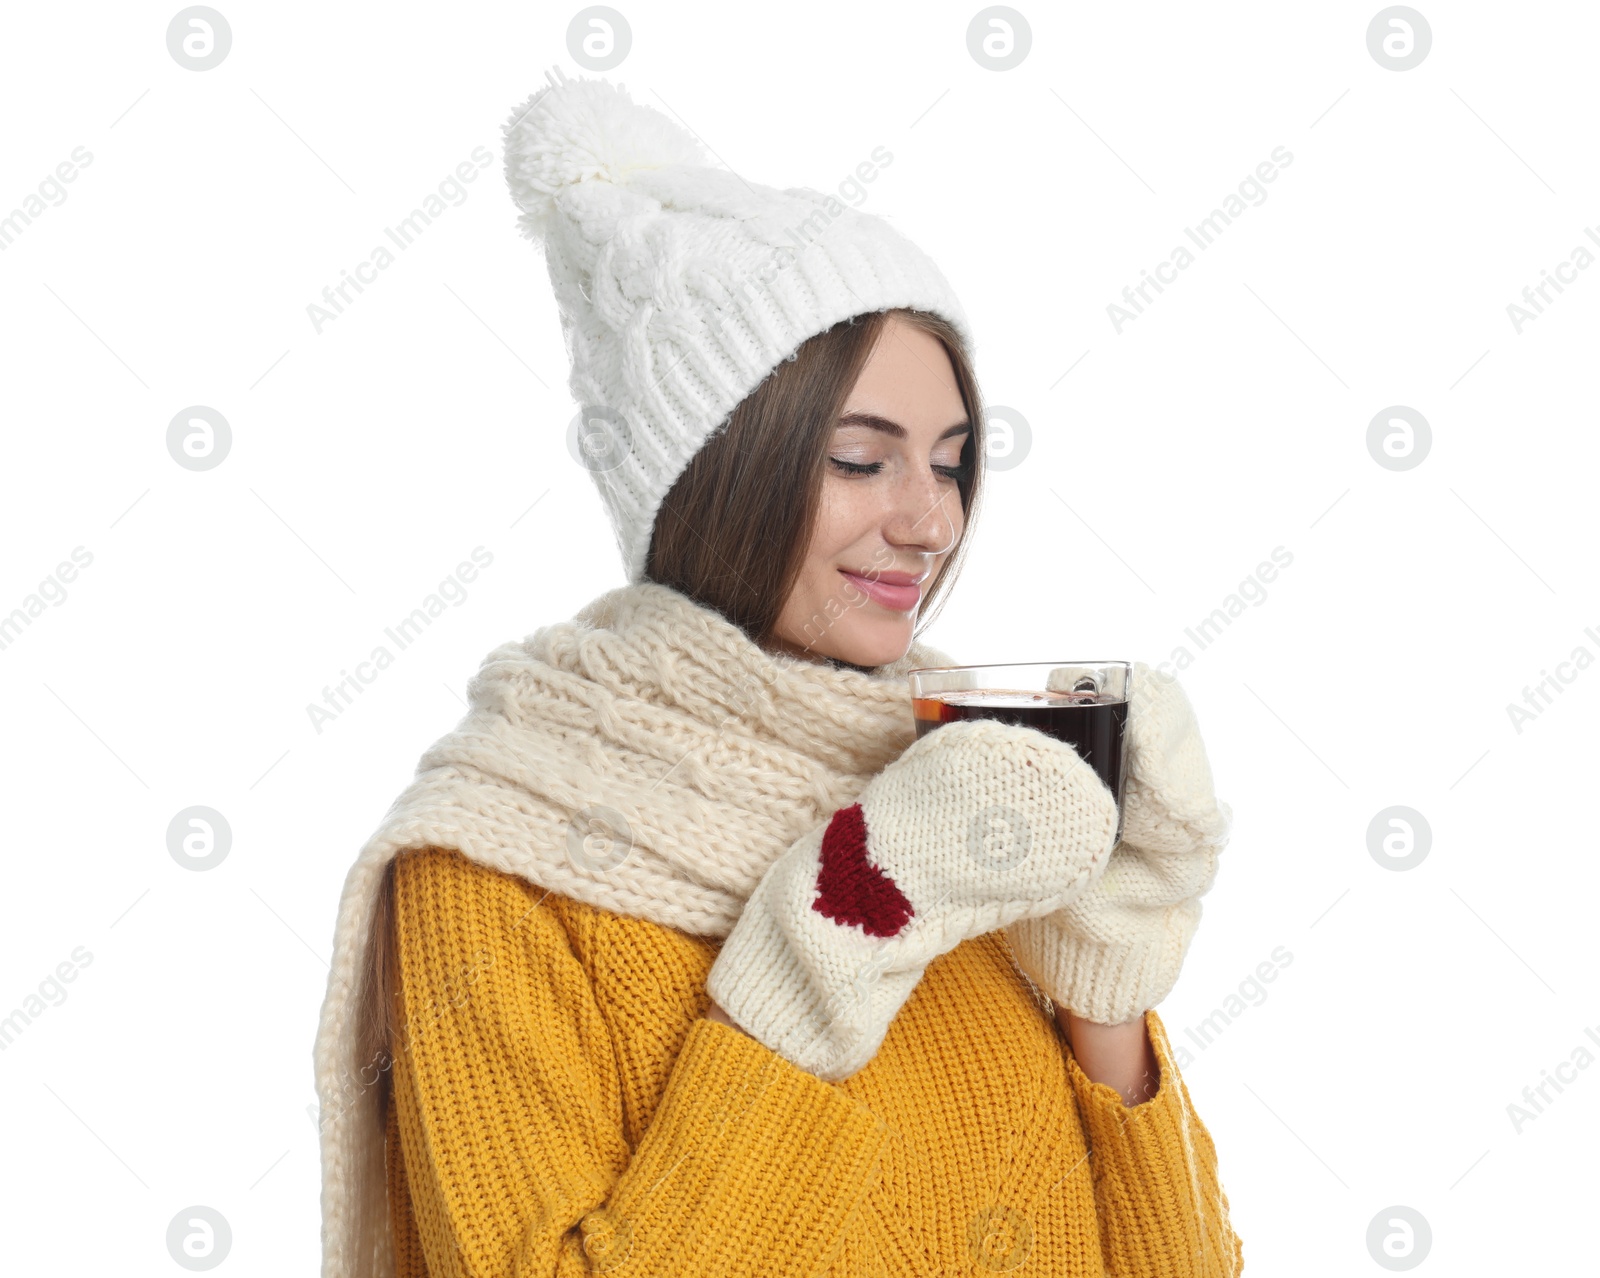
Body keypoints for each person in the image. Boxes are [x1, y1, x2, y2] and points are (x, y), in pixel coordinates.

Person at [312, 72, 1243, 1278]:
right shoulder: (494, 871)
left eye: (952, 465)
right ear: (713, 476)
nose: (930, 522)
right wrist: (819, 961)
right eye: (862, 460)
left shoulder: (966, 792)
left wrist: (1107, 972)